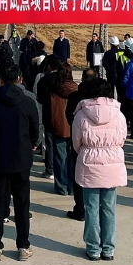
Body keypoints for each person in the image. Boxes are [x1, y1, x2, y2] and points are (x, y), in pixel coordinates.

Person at [0, 60, 39, 262]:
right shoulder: (28, 102)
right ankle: (23, 245)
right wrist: (32, 145)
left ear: (0, 80)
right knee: (22, 204)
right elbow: (35, 130)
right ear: (19, 79)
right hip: (21, 159)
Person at [72, 78, 127, 261]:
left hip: (89, 162)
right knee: (109, 208)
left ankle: (93, 248)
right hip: (112, 162)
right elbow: (122, 139)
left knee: (91, 208)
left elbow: (76, 142)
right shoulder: (118, 114)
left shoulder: (81, 114)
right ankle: (108, 249)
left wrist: (88, 151)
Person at [63, 68, 98, 222]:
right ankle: (93, 207)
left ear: (82, 79)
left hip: (79, 140)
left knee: (79, 175)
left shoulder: (75, 96)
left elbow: (69, 115)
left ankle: (80, 208)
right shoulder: (99, 98)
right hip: (97, 141)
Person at [49, 62, 78, 196]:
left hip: (59, 126)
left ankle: (61, 186)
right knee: (72, 159)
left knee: (60, 158)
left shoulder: (54, 89)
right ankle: (72, 186)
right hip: (74, 127)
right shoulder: (76, 89)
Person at [35, 55, 62, 182]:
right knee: (62, 145)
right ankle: (61, 170)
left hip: (48, 114)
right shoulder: (64, 80)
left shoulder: (43, 80)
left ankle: (50, 170)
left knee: (49, 144)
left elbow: (39, 98)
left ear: (49, 66)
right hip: (63, 116)